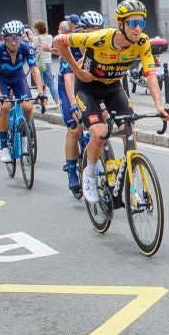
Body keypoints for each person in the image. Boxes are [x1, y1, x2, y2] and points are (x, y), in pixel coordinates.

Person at [55, 1, 169, 204]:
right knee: (99, 134)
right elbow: (59, 41)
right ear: (120, 24)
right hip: (87, 89)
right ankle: (89, 174)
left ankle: (132, 186)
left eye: (141, 23)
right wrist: (77, 70)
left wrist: (159, 106)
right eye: (132, 23)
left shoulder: (142, 42)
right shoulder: (99, 37)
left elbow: (150, 74)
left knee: (130, 131)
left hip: (113, 89)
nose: (137, 28)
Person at [57, 12, 102, 198]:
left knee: (103, 122)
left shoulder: (102, 46)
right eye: (90, 32)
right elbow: (69, 79)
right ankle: (72, 172)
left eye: (98, 32)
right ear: (81, 31)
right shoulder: (72, 47)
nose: (94, 36)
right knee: (75, 129)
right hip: (71, 90)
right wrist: (74, 105)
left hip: (91, 89)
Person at [0, 20, 46, 163]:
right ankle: (3, 147)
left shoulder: (26, 48)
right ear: (4, 39)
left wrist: (41, 92)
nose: (13, 43)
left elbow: (35, 70)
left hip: (18, 78)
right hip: (2, 80)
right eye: (9, 39)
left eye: (17, 38)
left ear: (21, 38)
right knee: (5, 107)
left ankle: (25, 137)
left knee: (27, 106)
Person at [31, 20, 55, 103]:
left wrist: (31, 40)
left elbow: (32, 48)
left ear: (37, 29)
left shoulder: (35, 39)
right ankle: (57, 102)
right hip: (48, 62)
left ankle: (43, 101)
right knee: (51, 83)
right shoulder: (50, 37)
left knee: (41, 83)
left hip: (40, 63)